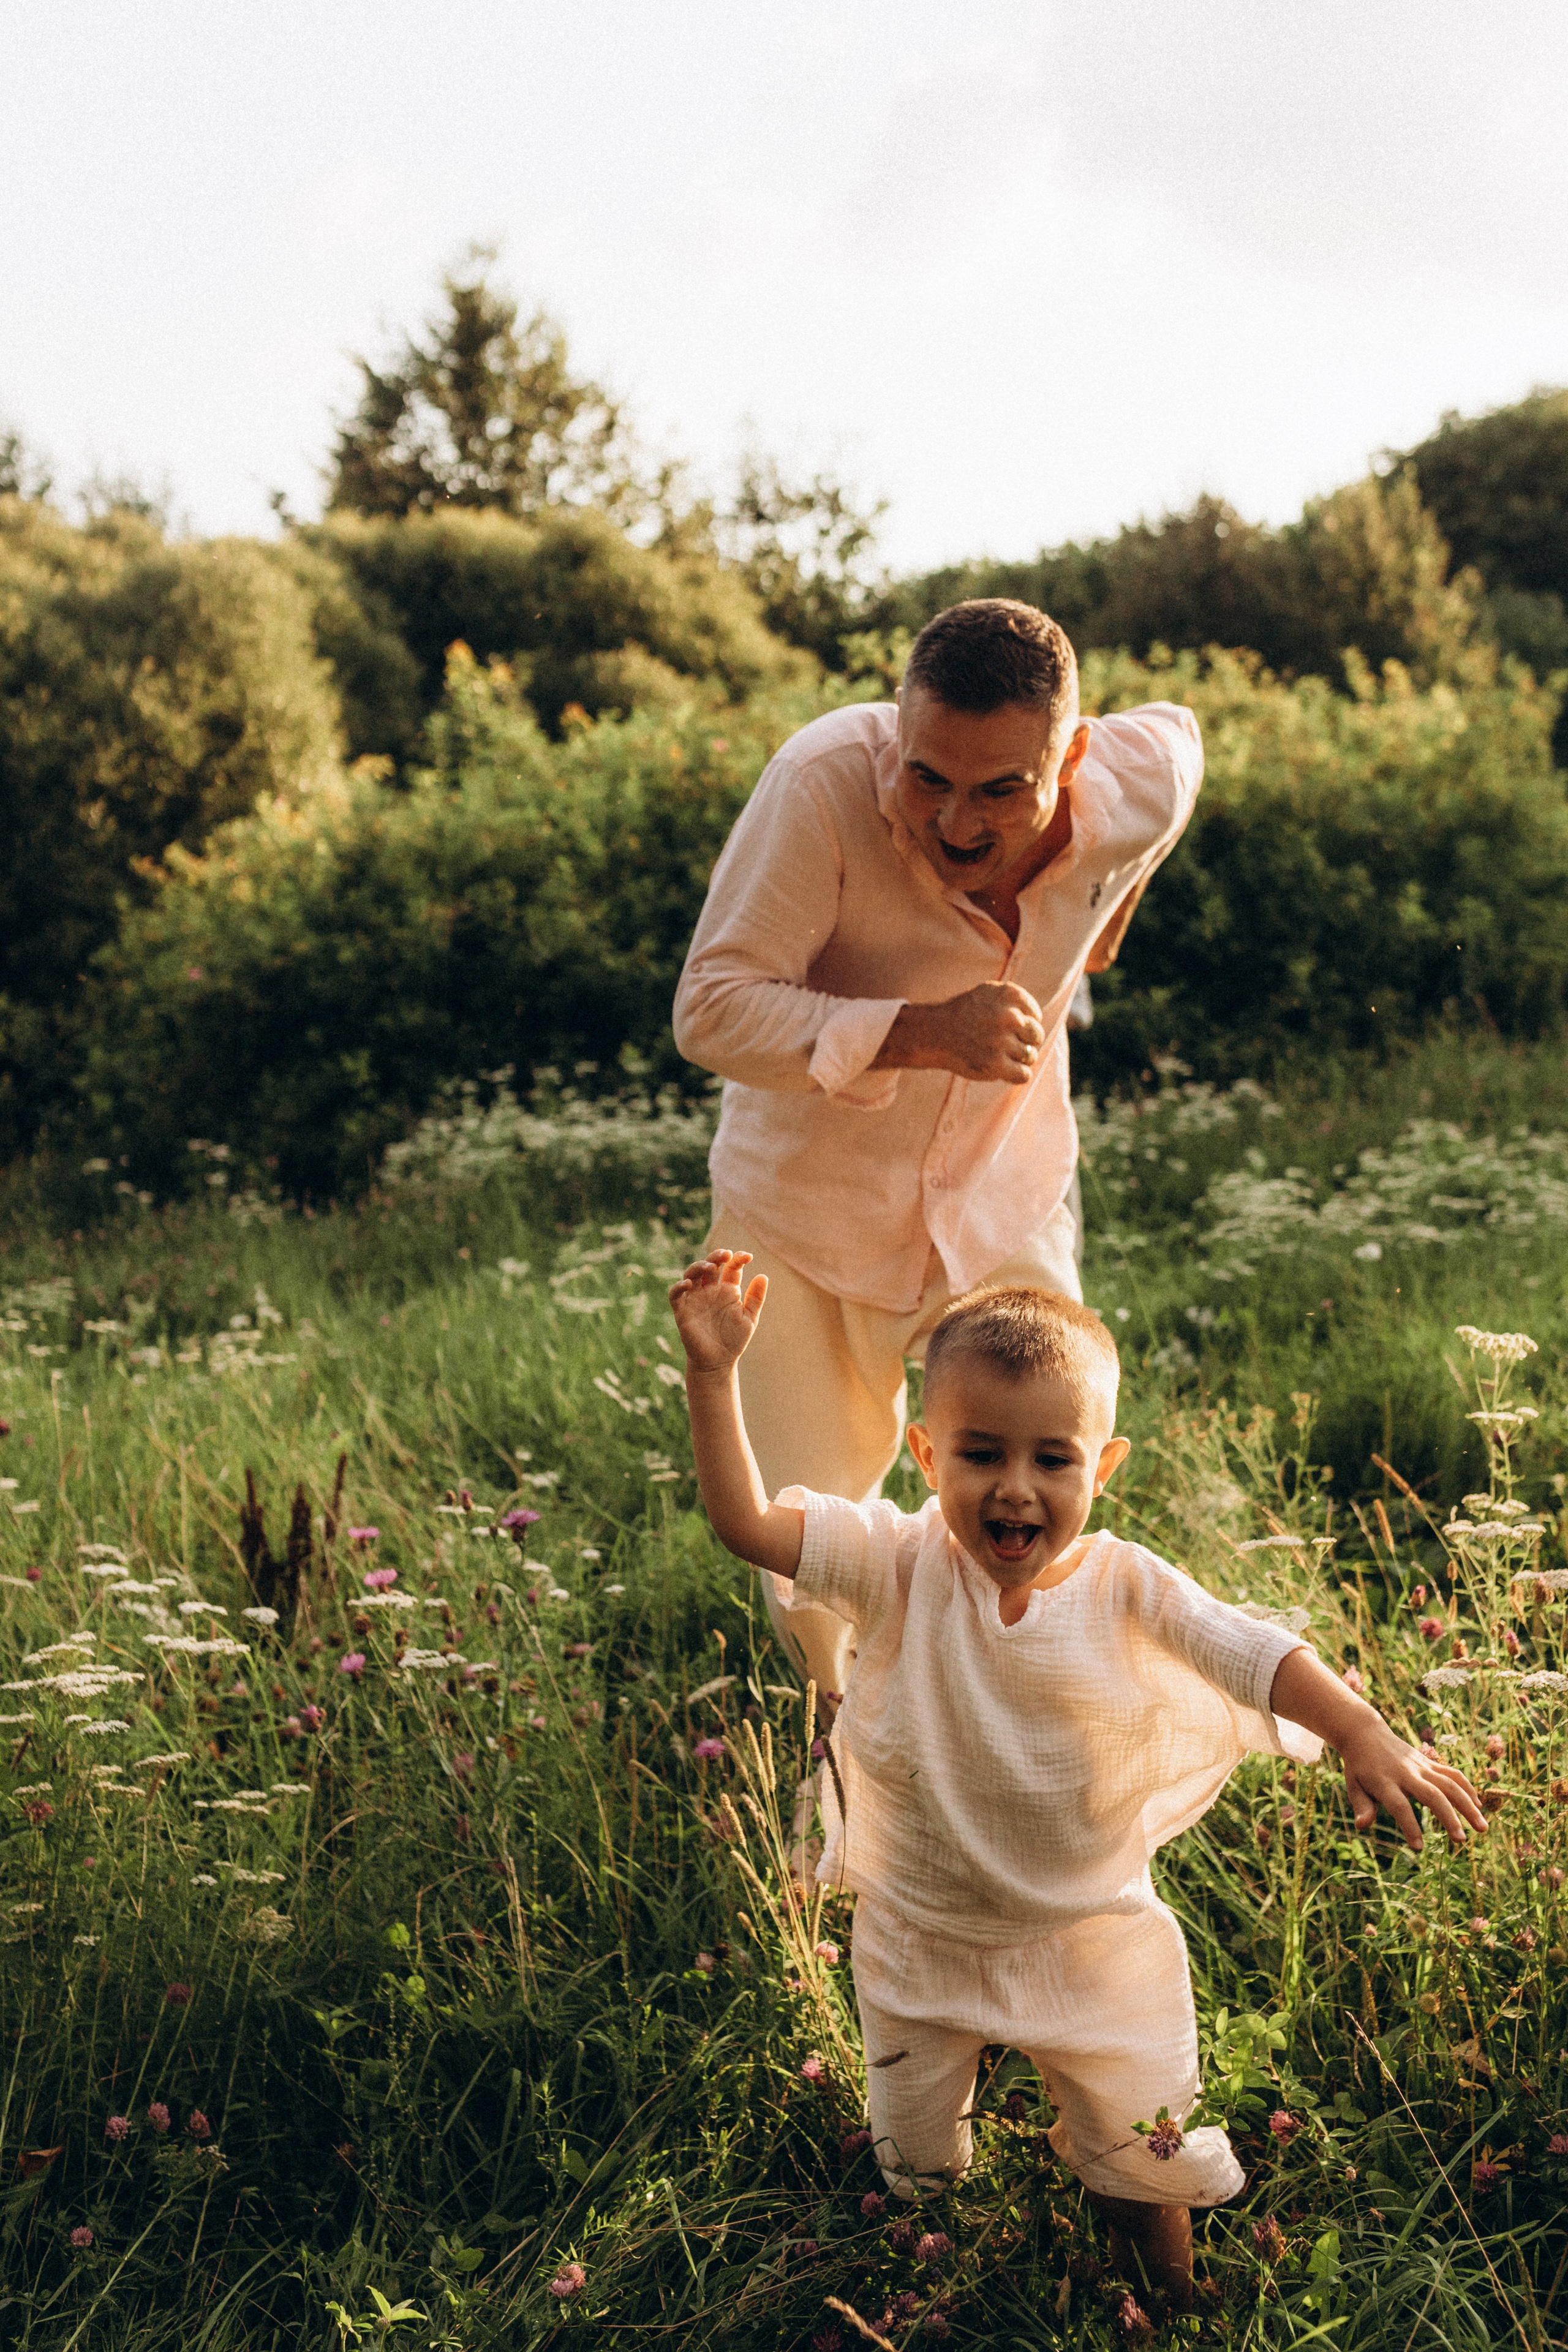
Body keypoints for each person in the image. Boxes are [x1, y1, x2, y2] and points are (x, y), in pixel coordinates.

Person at [668, 1250, 1487, 2307]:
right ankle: (927, 2270)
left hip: (1088, 1930)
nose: (1015, 1486)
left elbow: (1254, 1650)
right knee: (917, 2166)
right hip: (921, 1928)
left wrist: (1363, 1728)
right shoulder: (896, 1561)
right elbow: (746, 1525)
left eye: (1053, 1459)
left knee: (1141, 2141)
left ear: (1104, 1470)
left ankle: (1173, 2298)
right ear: (927, 1453)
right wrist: (711, 1375)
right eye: (980, 1453)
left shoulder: (1127, 1584)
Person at [673, 598, 1201, 1713]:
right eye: (928, 778)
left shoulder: (1131, 780)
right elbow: (710, 1010)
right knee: (812, 1555)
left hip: (1006, 1194)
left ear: (1073, 757)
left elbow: (1182, 755)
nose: (957, 822)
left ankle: (1037, 1755)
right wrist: (918, 1031)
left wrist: (1112, 915)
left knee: (1041, 1491)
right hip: (806, 1220)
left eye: (1002, 788)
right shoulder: (818, 784)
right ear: (899, 733)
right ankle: (854, 1770)